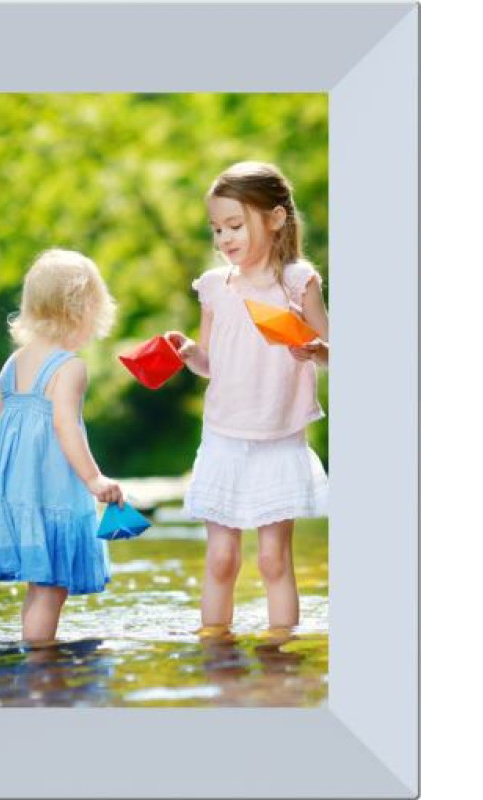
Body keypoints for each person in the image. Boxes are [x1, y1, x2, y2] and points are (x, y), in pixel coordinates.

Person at [166, 161, 329, 640]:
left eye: (235, 225)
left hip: (279, 437)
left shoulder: (298, 281)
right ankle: (215, 647)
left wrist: (315, 350)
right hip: (223, 436)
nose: (224, 238)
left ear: (275, 219)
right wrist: (189, 354)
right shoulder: (214, 286)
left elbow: (333, 351)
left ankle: (282, 651)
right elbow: (210, 363)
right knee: (221, 558)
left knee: (274, 559)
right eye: (217, 229)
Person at [0, 249, 124, 645]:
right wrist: (94, 479)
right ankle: (41, 662)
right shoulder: (70, 367)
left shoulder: (14, 362)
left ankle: (31, 650)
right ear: (82, 310)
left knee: (39, 584)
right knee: (51, 588)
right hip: (51, 493)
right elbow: (65, 425)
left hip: (13, 496)